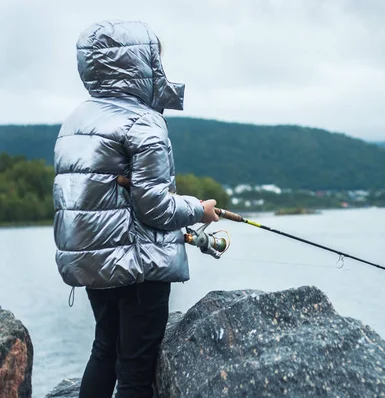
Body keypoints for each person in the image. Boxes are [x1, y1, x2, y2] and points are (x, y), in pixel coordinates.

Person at [52, 20, 219, 397]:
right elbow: (155, 209)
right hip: (139, 267)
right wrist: (199, 209)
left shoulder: (75, 120)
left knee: (103, 350)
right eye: (154, 57)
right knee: (135, 374)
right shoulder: (144, 122)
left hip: (93, 265)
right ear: (140, 64)